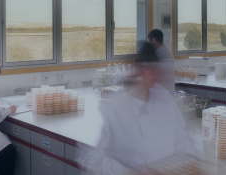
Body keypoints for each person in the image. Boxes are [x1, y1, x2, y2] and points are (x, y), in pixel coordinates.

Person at [77, 42, 197, 175]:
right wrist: (125, 172)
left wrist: (188, 157)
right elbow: (93, 158)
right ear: (136, 68)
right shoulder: (117, 107)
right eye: (149, 67)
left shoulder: (165, 98)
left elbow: (179, 133)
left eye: (156, 67)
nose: (154, 73)